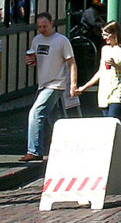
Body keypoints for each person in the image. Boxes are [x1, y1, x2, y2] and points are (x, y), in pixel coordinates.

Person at [19, 13, 77, 163]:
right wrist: (30, 61)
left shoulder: (61, 41)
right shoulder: (36, 40)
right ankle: (68, 146)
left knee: (35, 113)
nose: (42, 29)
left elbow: (72, 63)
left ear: (52, 23)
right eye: (39, 27)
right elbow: (35, 60)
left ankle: (34, 150)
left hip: (55, 84)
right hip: (43, 83)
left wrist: (73, 84)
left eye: (45, 26)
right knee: (55, 118)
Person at [73, 21, 121, 119]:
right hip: (105, 90)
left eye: (106, 35)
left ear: (114, 34)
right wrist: (84, 87)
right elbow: (101, 72)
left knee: (112, 120)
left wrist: (116, 65)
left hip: (118, 90)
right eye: (103, 34)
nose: (104, 37)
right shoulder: (105, 49)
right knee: (107, 123)